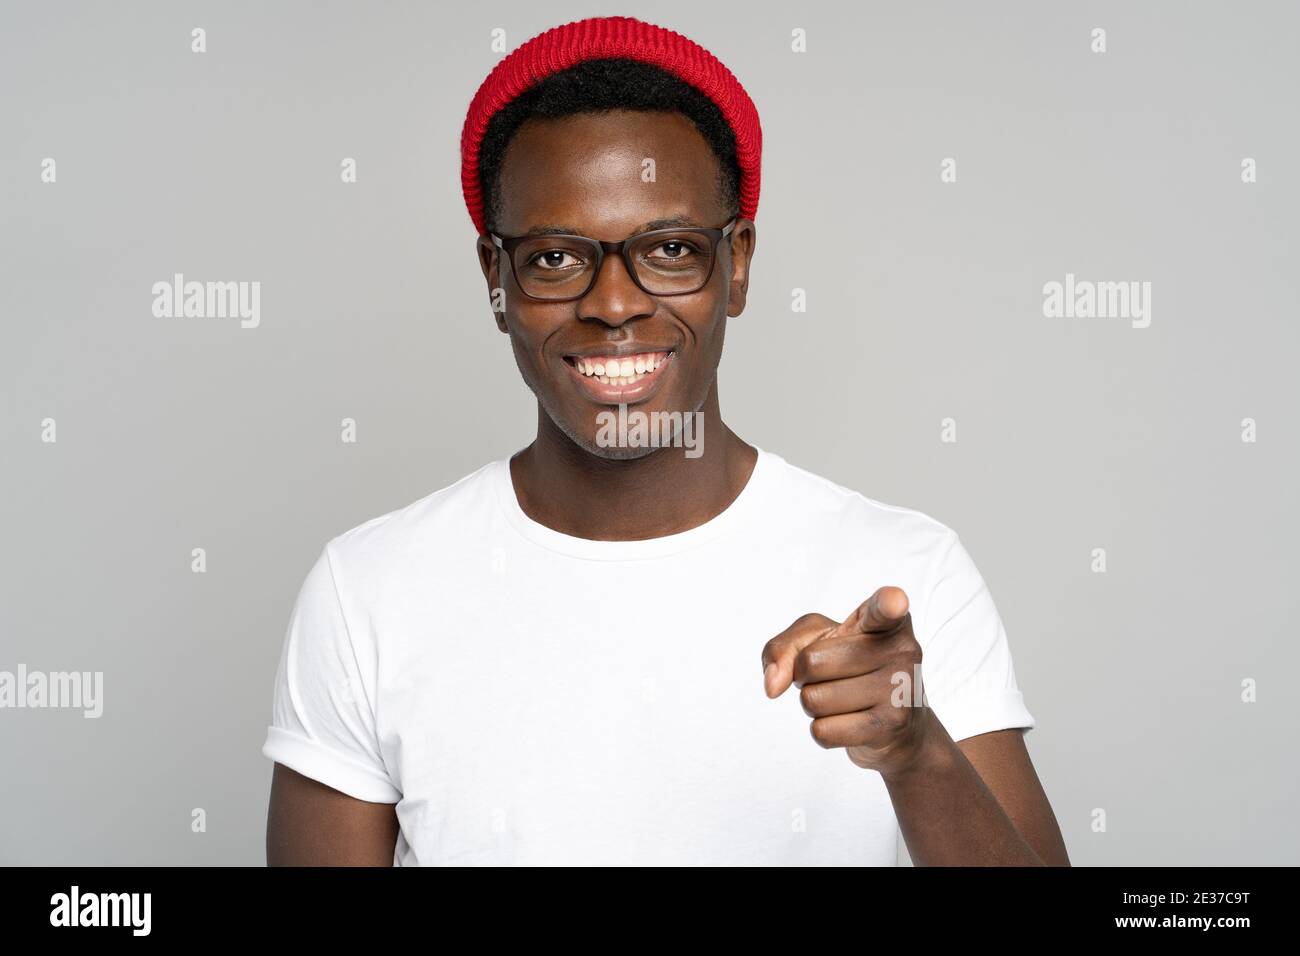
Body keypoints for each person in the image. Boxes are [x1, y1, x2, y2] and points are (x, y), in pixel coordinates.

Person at [262, 14, 1069, 866]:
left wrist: (915, 751)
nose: (615, 302)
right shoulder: (367, 592)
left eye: (672, 249)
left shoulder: (908, 570)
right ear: (495, 281)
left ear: (739, 267)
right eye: (554, 258)